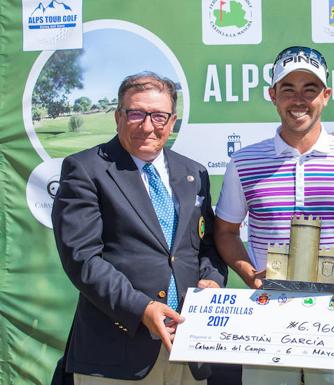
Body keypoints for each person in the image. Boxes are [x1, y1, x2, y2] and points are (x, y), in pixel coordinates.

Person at [214, 46, 334, 385]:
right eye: (288, 89)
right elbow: (226, 233)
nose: (299, 99)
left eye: (310, 89)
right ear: (273, 95)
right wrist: (249, 273)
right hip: (266, 313)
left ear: (326, 96)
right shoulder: (244, 162)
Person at [52, 72, 227, 384]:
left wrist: (212, 282)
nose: (148, 126)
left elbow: (208, 247)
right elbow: (83, 259)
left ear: (172, 121)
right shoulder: (85, 169)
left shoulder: (195, 173)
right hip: (116, 354)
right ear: (118, 116)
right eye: (136, 113)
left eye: (159, 116)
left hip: (188, 349)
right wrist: (142, 309)